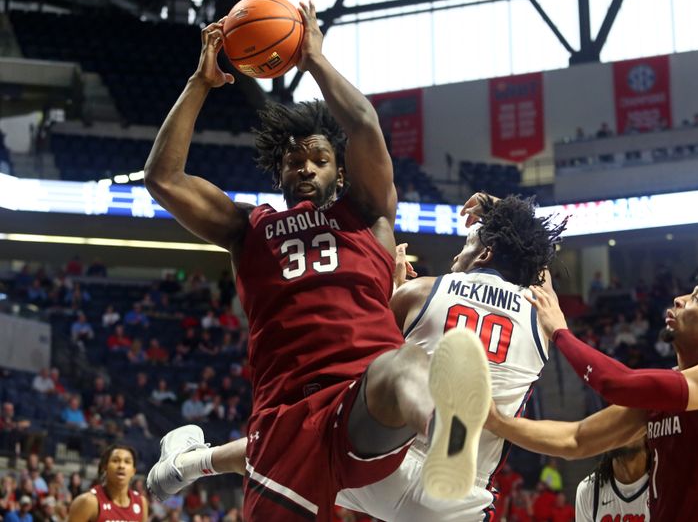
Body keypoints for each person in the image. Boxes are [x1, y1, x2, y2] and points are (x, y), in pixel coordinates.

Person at [143, 2, 490, 521]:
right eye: (293, 159)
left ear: (341, 172)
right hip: (282, 420)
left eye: (320, 158)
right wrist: (200, 82)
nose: (305, 166)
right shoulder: (248, 229)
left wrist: (315, 62)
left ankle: (447, 437)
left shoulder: (368, 215)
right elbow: (163, 179)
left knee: (408, 363)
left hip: (361, 401)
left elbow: (365, 125)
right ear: (278, 171)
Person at [147, 194, 566, 522]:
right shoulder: (544, 318)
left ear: (486, 253)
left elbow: (368, 347)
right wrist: (502, 218)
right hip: (458, 497)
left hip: (383, 464)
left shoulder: (423, 292)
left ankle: (189, 465)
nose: (460, 250)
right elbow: (537, 260)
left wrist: (392, 281)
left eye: (469, 242)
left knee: (296, 435)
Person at [487, 258, 698, 521]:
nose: (679, 299)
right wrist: (496, 421)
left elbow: (617, 384)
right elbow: (576, 439)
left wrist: (560, 331)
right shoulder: (672, 392)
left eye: (697, 299)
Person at [574, 438, 648, 522]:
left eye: (625, 426)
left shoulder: (663, 486)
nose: (618, 434)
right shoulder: (589, 490)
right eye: (614, 428)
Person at [67, 444, 146, 522]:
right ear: (105, 467)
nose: (121, 466)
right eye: (115, 460)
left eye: (127, 462)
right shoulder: (88, 501)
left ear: (133, 471)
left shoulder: (141, 502)